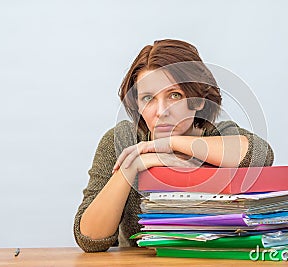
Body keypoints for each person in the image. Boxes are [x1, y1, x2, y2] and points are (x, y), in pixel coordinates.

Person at [73, 39, 274, 252]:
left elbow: (261, 154)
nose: (161, 111)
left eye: (174, 95)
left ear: (198, 100)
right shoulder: (122, 139)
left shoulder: (218, 135)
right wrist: (131, 167)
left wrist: (169, 144)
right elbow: (90, 239)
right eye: (148, 98)